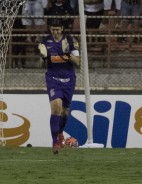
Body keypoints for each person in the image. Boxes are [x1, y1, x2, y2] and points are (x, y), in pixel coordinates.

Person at [38, 18, 80, 154]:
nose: (55, 32)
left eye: (57, 29)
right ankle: (55, 142)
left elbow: (78, 62)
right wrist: (43, 57)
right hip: (53, 79)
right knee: (56, 108)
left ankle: (60, 133)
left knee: (65, 111)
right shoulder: (45, 42)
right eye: (52, 29)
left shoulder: (70, 40)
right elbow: (40, 65)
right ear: (50, 29)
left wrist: (66, 53)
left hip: (69, 80)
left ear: (62, 29)